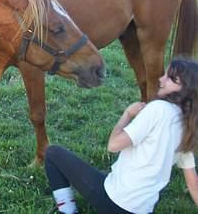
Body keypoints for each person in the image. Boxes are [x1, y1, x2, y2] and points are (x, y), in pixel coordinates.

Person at [44, 57, 198, 214]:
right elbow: (193, 184)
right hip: (142, 210)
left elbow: (113, 145)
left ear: (183, 87)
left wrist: (127, 114)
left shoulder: (158, 109)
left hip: (115, 202)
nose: (161, 79)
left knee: (53, 153)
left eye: (169, 78)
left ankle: (68, 211)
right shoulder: (188, 127)